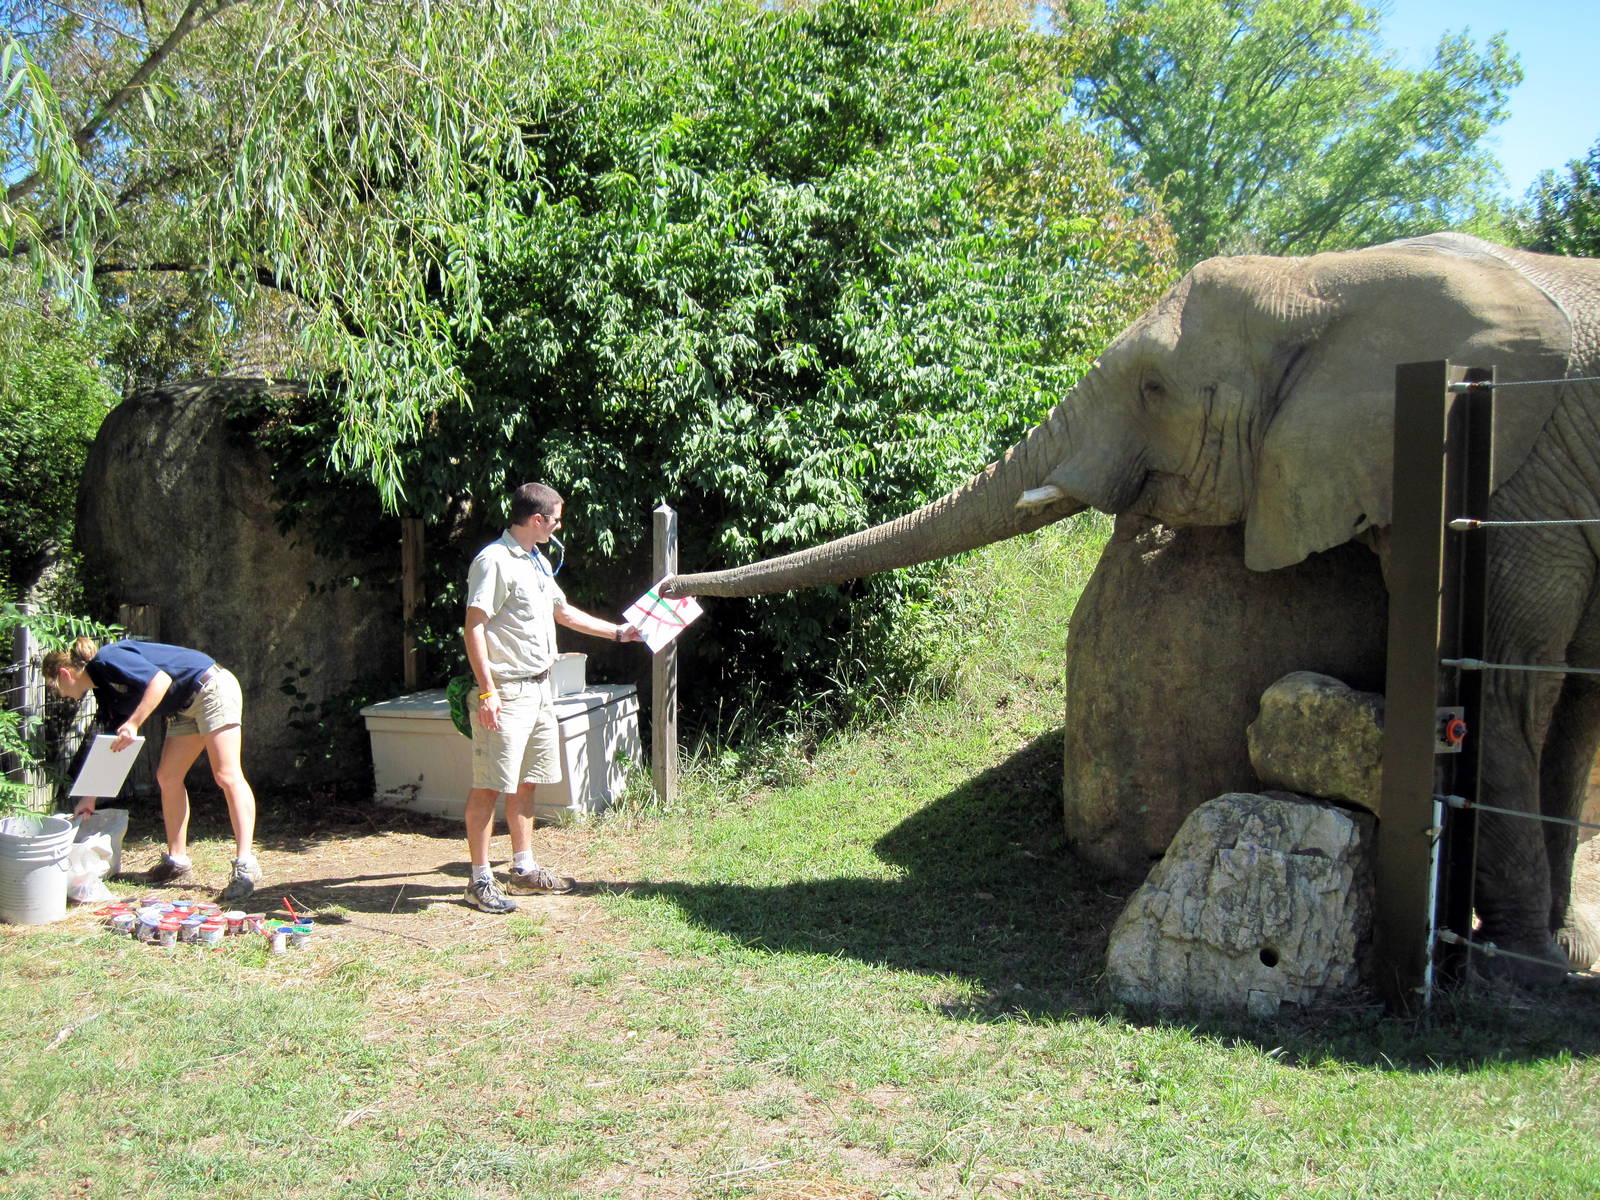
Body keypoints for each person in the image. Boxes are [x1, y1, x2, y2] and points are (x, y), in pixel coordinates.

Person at [462, 482, 643, 913]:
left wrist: (619, 632)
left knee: (527, 780)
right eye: (556, 520)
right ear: (537, 519)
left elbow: (563, 612)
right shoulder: (493, 561)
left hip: (542, 689)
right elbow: (474, 627)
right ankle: (479, 880)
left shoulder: (537, 560)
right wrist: (487, 691)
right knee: (490, 784)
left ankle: (523, 870)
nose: (559, 527)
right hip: (506, 692)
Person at [42, 636, 264, 903]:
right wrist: (90, 797)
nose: (60, 694)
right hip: (184, 706)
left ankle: (245, 865)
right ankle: (177, 861)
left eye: (55, 687)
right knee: (168, 777)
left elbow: (160, 681)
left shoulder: (108, 658)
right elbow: (114, 742)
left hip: (210, 688)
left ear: (64, 674)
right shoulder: (102, 688)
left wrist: (134, 723)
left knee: (226, 775)